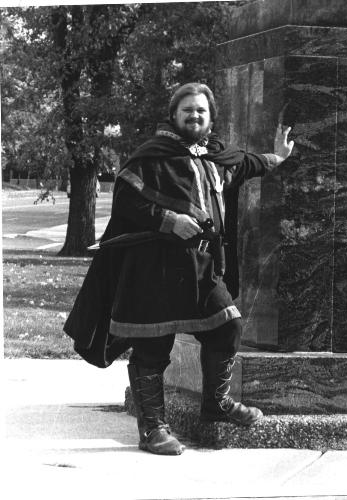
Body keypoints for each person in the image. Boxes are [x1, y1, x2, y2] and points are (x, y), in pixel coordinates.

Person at [64, 82, 293, 456]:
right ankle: (152, 428)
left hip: (202, 267)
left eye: (201, 110)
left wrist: (277, 157)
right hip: (155, 268)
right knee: (154, 345)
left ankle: (215, 405)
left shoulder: (215, 156)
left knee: (227, 324)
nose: (194, 115)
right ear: (174, 115)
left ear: (210, 117)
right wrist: (169, 220)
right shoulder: (151, 157)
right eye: (187, 110)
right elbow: (126, 203)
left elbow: (247, 164)